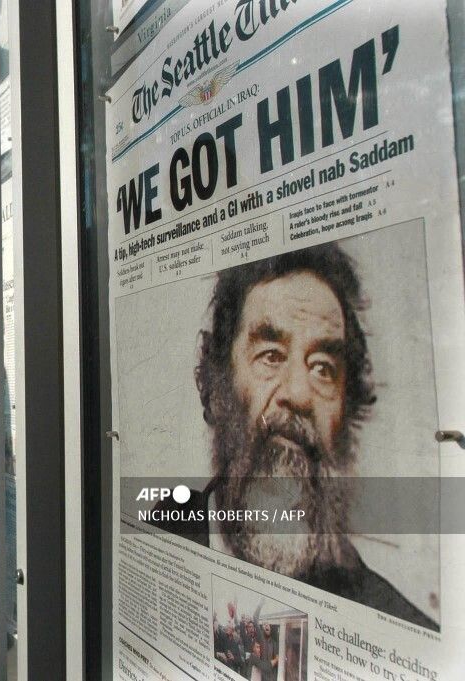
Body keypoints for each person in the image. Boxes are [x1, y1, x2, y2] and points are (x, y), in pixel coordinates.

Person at [152, 243, 436, 631]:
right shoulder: (162, 532)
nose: (300, 393)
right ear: (218, 386)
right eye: (271, 355)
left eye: (323, 368)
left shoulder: (391, 621)